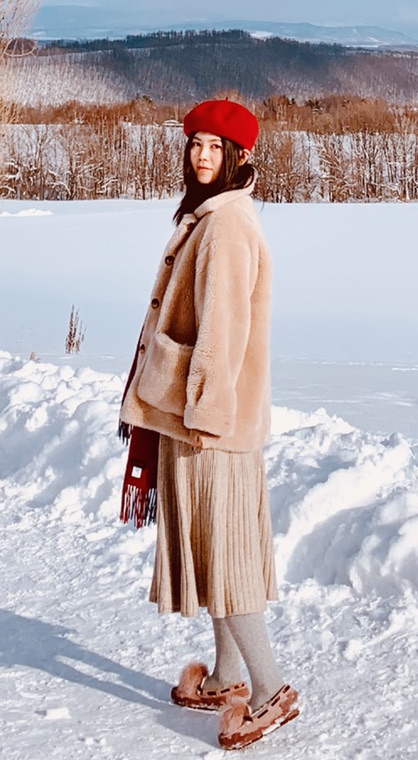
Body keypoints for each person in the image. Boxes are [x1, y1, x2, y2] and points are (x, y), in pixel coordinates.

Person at [119, 98, 299, 751]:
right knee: (210, 550)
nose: (201, 154)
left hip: (210, 426)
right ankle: (226, 675)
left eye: (215, 147)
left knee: (223, 559)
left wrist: (204, 417)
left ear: (239, 157)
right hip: (198, 419)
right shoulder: (210, 217)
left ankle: (270, 688)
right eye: (196, 143)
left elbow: (223, 336)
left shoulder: (226, 228)